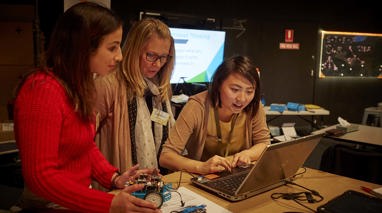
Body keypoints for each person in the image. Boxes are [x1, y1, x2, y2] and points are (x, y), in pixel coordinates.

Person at [13, 2, 160, 212]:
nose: (119, 56)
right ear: (83, 47)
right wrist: (108, 202)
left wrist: (114, 177)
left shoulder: (77, 86)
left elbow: (84, 145)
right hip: (48, 204)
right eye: (112, 47)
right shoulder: (42, 90)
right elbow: (40, 176)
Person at [159, 55, 271, 175]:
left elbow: (264, 143)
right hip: (201, 178)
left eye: (249, 91)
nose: (242, 99)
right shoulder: (197, 106)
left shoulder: (254, 106)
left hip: (236, 174)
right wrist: (201, 167)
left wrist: (246, 154)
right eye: (234, 89)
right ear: (218, 85)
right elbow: (166, 157)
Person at [95, 18, 175, 174]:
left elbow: (163, 121)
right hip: (116, 185)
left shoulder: (159, 87)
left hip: (152, 182)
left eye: (163, 57)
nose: (157, 64)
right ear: (134, 49)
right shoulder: (108, 84)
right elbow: (83, 143)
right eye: (150, 55)